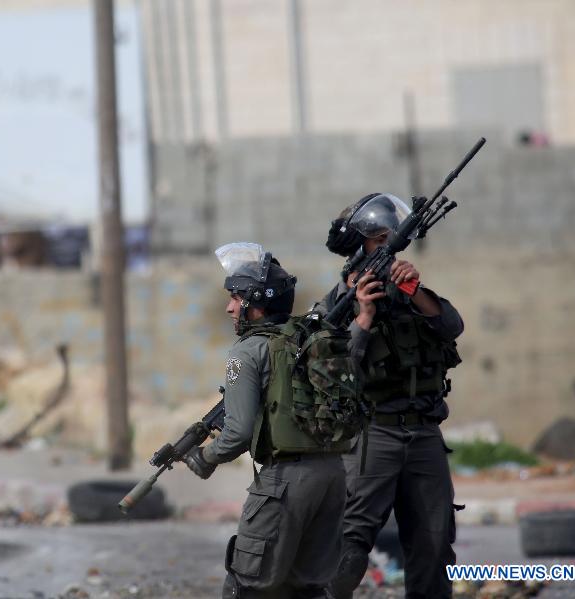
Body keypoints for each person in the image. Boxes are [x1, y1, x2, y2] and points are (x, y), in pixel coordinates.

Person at [183, 242, 370, 599]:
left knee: (248, 585)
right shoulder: (307, 335)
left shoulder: (246, 352)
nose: (229, 307)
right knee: (309, 587)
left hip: (285, 482)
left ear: (255, 304)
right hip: (333, 476)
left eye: (236, 299)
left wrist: (206, 457)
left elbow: (237, 432)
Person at [317, 193, 464, 599]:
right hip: (372, 434)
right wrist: (362, 316)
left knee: (434, 543)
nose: (388, 245)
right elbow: (334, 367)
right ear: (358, 246)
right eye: (380, 238)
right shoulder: (337, 304)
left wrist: (415, 291)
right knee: (350, 542)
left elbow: (451, 326)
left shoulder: (408, 292)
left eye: (390, 238)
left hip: (423, 433)